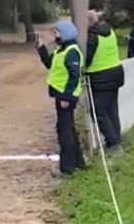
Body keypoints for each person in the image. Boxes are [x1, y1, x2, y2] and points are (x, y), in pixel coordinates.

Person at [35, 20, 85, 177]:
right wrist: (41, 48)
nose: (54, 35)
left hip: (66, 97)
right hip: (61, 95)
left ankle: (67, 168)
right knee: (69, 129)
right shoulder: (61, 50)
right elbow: (50, 64)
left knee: (64, 132)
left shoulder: (71, 52)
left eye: (56, 32)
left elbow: (74, 76)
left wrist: (66, 97)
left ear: (65, 33)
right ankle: (78, 162)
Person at [86, 11, 124, 153]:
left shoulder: (92, 37)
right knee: (112, 110)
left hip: (101, 78)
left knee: (98, 112)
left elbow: (86, 60)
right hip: (115, 74)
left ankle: (113, 142)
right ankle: (116, 138)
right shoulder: (109, 31)